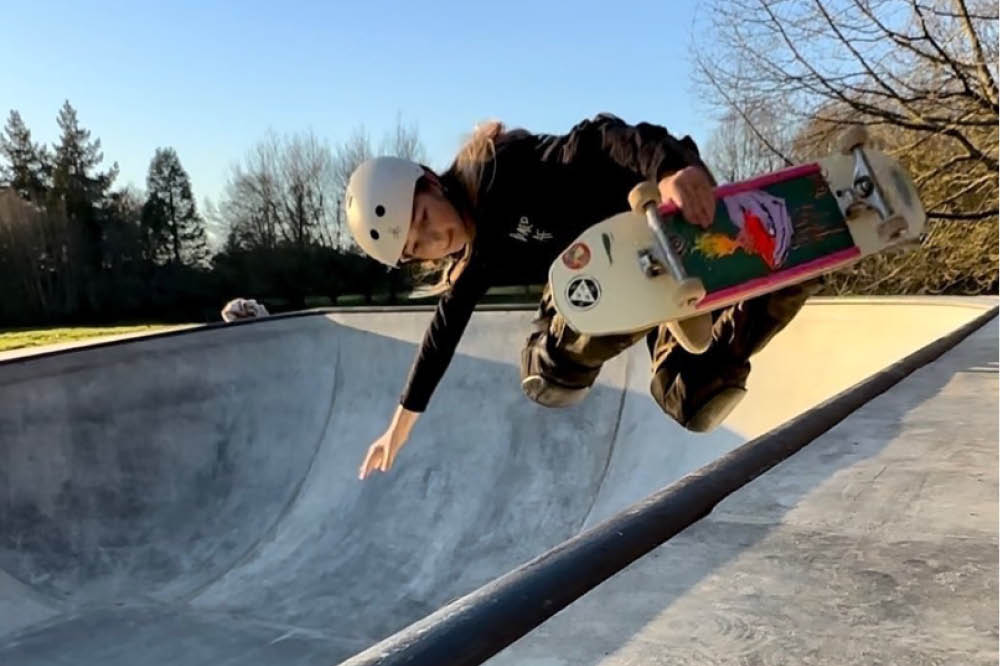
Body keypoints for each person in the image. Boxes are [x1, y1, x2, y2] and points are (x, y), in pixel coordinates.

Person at [346, 114, 818, 480]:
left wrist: (670, 168)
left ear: (431, 181)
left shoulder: (500, 169)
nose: (436, 237)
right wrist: (398, 429)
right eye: (418, 246)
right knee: (693, 399)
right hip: (653, 278)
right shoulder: (474, 260)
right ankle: (777, 286)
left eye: (424, 219)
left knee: (545, 364)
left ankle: (638, 293)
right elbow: (442, 335)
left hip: (655, 209)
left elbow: (599, 137)